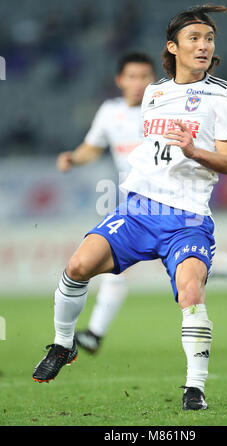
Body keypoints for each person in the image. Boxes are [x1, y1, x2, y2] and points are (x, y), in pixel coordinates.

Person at [31, 4, 227, 410]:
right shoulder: (155, 93)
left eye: (209, 38)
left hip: (187, 219)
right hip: (139, 210)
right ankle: (63, 344)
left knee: (191, 293)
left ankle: (195, 388)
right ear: (173, 47)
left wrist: (193, 149)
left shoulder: (225, 94)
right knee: (76, 267)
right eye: (195, 38)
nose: (204, 45)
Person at [56, 52, 156, 353]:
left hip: (170, 201)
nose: (139, 83)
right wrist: (73, 158)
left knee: (193, 267)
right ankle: (94, 334)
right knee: (116, 266)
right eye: (133, 76)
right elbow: (92, 148)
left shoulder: (163, 106)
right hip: (135, 203)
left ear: (154, 80)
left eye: (145, 76)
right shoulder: (110, 112)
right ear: (120, 80)